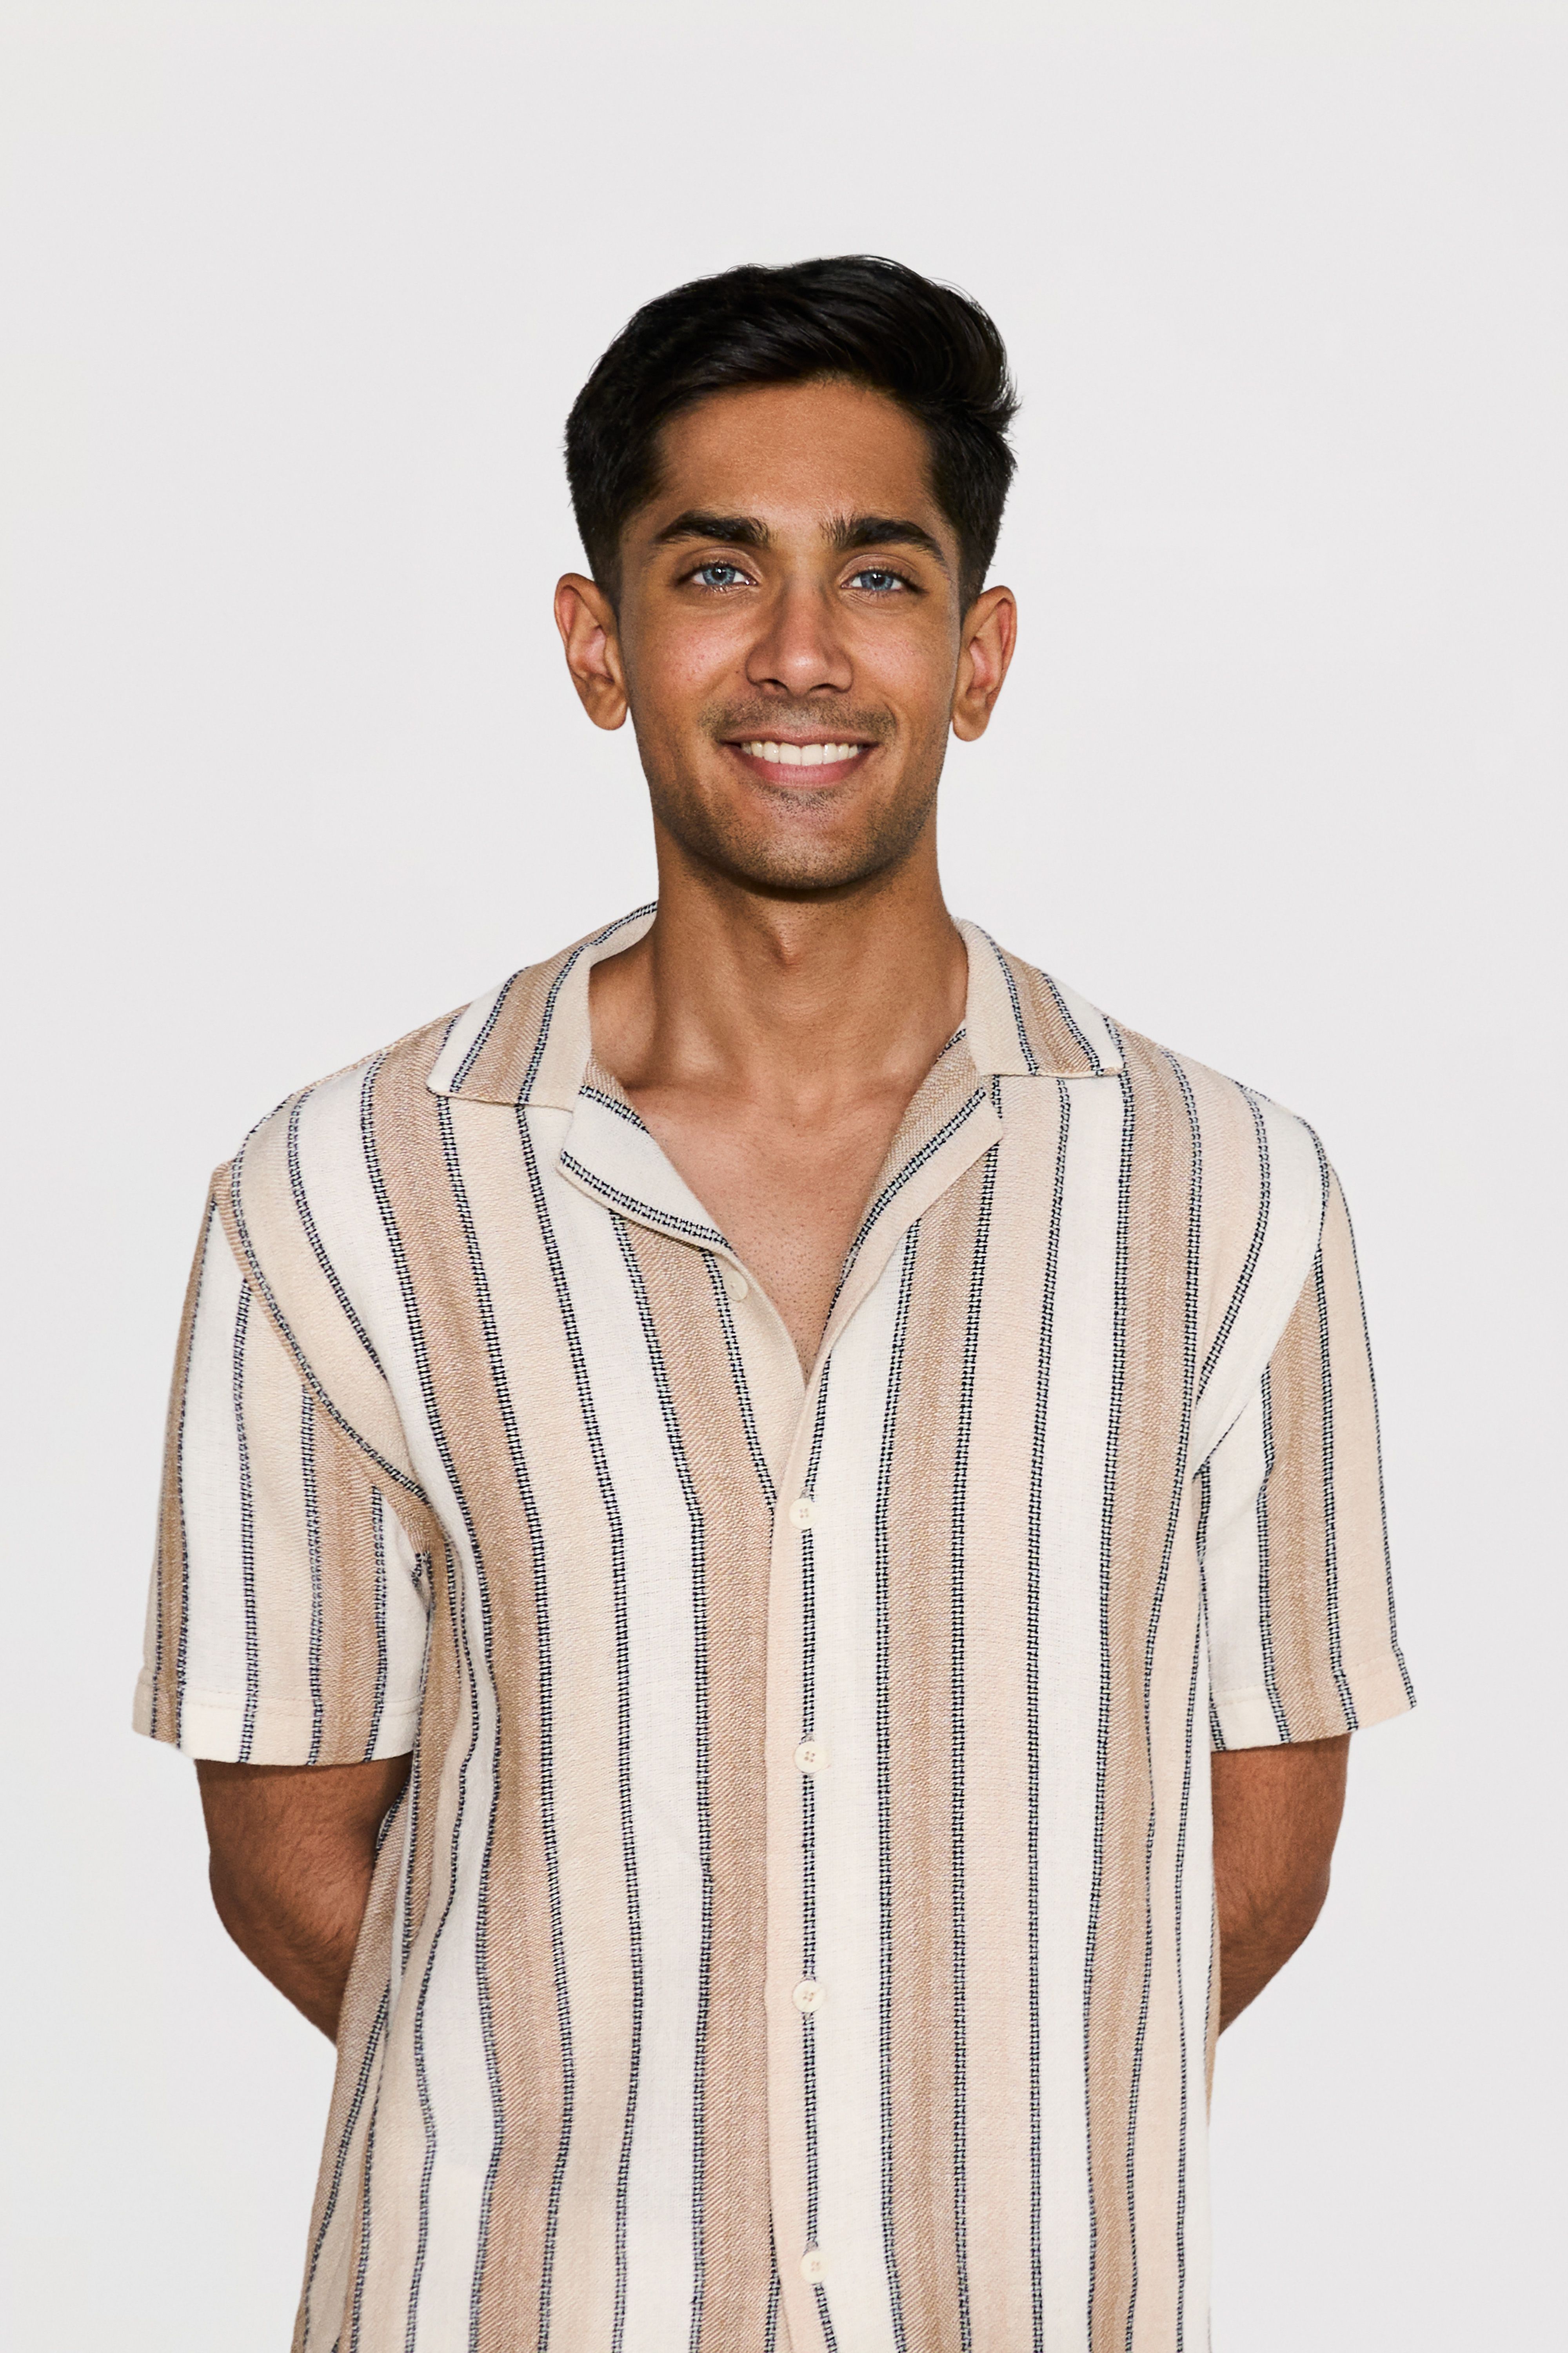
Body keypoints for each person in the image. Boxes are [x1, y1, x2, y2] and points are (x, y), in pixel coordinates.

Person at [135, 256, 1413, 2353]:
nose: (802, 657)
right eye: (718, 570)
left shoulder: (1229, 1191)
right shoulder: (344, 1190)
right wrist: (597, 2126)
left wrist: (962, 2142)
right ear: (599, 641)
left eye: (883, 580)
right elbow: (286, 1850)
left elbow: (1255, 1857)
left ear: (980, 654)